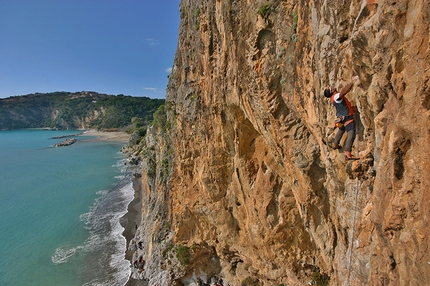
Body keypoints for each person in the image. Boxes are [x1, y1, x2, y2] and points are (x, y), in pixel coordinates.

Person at [324, 75, 359, 160]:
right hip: (346, 118)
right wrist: (352, 81)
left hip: (340, 118)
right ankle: (348, 154)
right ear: (331, 91)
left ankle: (335, 144)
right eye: (330, 88)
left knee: (341, 129)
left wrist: (352, 108)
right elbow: (343, 92)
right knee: (351, 133)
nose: (331, 86)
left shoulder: (333, 98)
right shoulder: (336, 96)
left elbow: (343, 105)